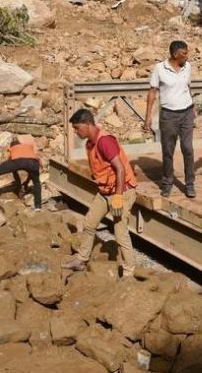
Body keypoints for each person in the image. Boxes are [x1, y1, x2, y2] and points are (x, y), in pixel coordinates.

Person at [62, 109, 137, 277]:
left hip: (121, 192)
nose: (75, 131)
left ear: (88, 124)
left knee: (120, 233)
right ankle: (81, 259)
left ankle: (128, 272)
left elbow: (120, 169)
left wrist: (118, 197)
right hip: (104, 191)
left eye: (77, 127)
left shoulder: (105, 141)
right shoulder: (90, 142)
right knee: (89, 223)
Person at [143, 40, 196, 198]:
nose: (187, 56)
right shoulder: (160, 68)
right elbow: (152, 92)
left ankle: (190, 184)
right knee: (168, 151)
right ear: (175, 54)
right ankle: (167, 183)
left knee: (188, 149)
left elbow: (188, 87)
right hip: (168, 115)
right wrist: (148, 118)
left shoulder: (188, 67)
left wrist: (194, 109)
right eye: (184, 53)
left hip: (186, 113)